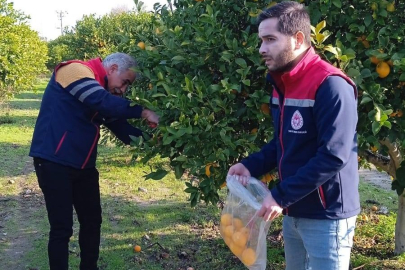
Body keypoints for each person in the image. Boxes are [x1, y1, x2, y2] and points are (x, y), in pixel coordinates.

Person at [228, 2, 359, 270]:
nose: (262, 49)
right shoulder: (282, 82)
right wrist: (249, 165)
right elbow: (283, 142)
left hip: (326, 215)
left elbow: (334, 155)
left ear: (298, 39)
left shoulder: (330, 85)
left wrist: (280, 195)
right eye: (261, 40)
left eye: (270, 39)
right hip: (293, 208)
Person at [29, 52, 159, 270]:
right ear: (113, 68)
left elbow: (120, 126)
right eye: (125, 82)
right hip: (54, 162)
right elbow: (102, 102)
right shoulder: (74, 70)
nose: (124, 89)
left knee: (92, 222)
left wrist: (156, 141)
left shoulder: (100, 90)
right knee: (62, 228)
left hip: (83, 166)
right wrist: (143, 111)